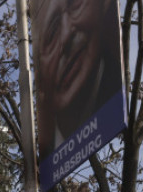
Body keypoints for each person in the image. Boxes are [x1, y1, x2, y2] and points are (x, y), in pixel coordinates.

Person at [32, 0, 123, 160]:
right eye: (52, 34)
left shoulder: (115, 99)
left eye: (75, 4)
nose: (66, 35)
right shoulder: (47, 151)